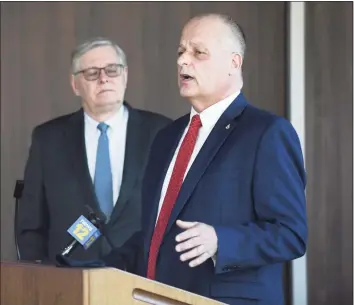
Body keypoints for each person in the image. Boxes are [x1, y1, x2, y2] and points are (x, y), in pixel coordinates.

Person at [62, 14, 307, 305]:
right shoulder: (168, 136)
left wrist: (220, 240)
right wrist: (91, 271)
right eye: (180, 52)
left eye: (198, 52)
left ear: (234, 63)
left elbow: (290, 234)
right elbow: (156, 236)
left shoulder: (266, 132)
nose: (182, 61)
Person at [17, 37, 172, 264]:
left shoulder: (163, 132)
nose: (103, 79)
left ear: (125, 76)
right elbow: (31, 223)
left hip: (143, 277)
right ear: (75, 84)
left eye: (112, 70)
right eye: (91, 73)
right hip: (69, 279)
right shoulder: (47, 139)